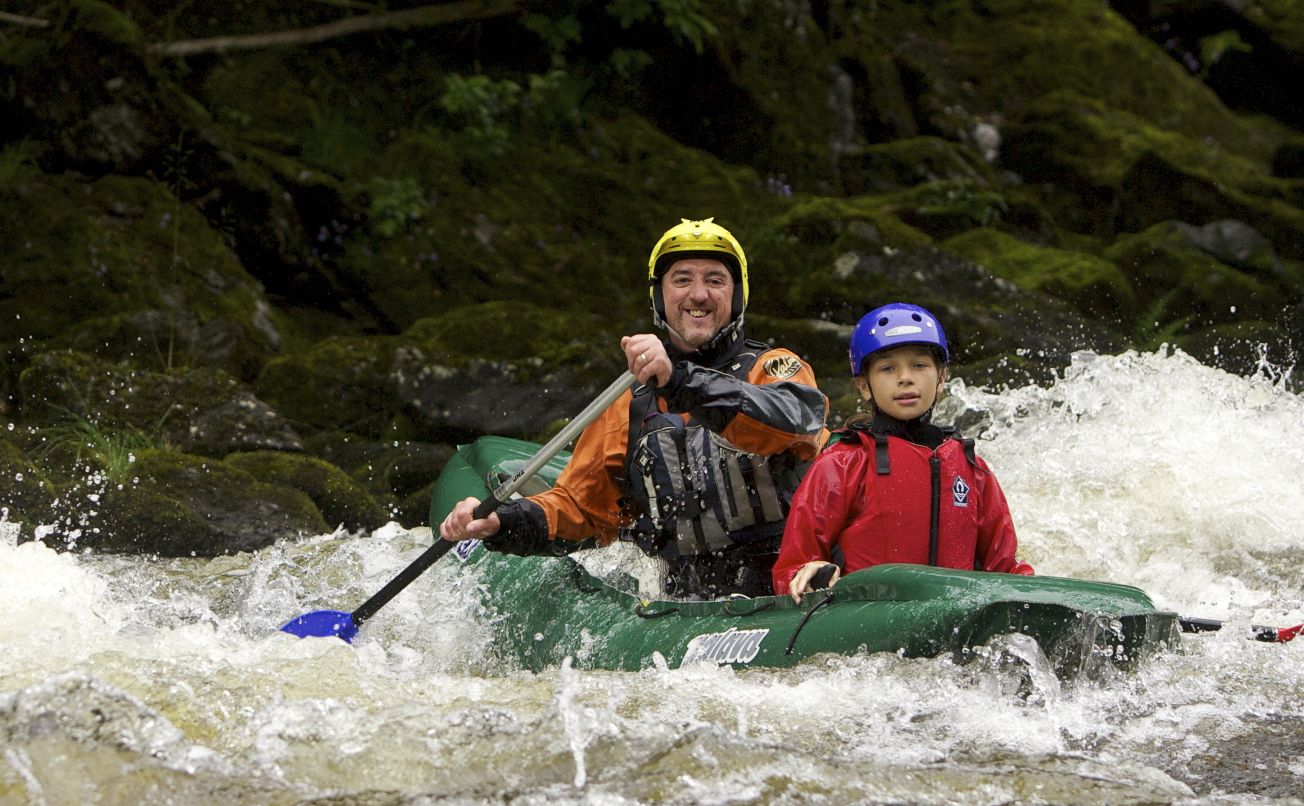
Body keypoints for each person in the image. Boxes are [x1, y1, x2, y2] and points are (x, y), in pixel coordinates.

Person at [439, 218, 830, 599]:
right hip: (684, 606)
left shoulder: (773, 368)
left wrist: (680, 381)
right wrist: (502, 521)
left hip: (785, 589)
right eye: (682, 280)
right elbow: (582, 508)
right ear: (660, 297)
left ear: (736, 296)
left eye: (715, 280)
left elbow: (798, 422)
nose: (698, 294)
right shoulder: (627, 402)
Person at [774, 302, 1033, 599]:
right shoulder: (841, 464)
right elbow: (791, 568)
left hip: (952, 623)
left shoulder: (973, 469)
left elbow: (1005, 569)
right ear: (864, 386)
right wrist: (807, 572)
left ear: (941, 377)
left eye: (919, 365)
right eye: (887, 368)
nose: (905, 377)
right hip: (869, 625)